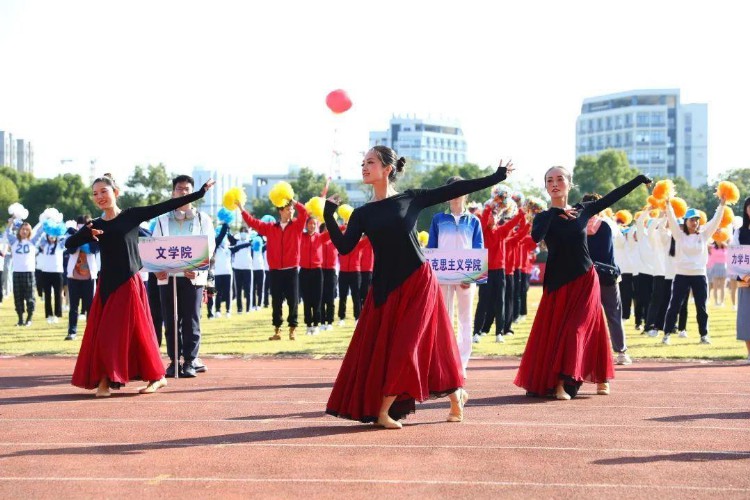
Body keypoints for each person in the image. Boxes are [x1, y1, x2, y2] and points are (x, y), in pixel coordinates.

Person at [323, 145, 511, 429]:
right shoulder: (363, 214)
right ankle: (457, 394)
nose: (364, 167)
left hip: (418, 281)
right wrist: (329, 216)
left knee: (407, 346)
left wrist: (496, 176)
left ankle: (384, 409)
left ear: (387, 169)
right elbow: (345, 247)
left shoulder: (411, 199)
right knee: (421, 347)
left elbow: (455, 189)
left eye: (370, 162)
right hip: (385, 288)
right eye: (362, 163)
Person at [66, 173, 214, 396]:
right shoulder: (94, 225)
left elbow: (166, 206)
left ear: (116, 192)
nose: (99, 197)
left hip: (129, 282)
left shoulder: (131, 215)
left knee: (132, 333)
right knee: (105, 333)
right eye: (95, 194)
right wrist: (86, 234)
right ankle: (109, 378)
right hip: (106, 285)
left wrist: (200, 193)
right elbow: (69, 244)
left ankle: (149, 377)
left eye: (104, 192)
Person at [514, 167, 651, 400]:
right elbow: (536, 237)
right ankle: (559, 382)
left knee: (579, 329)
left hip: (585, 279)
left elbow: (612, 196)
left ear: (569, 183)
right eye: (549, 180)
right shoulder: (543, 217)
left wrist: (638, 180)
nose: (554, 183)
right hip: (557, 283)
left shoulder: (583, 211)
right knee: (558, 333)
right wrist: (555, 215)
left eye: (559, 179)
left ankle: (583, 379)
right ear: (546, 187)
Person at [152, 175, 215, 378]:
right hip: (168, 277)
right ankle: (174, 361)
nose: (183, 193)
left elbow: (209, 247)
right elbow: (155, 247)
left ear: (193, 192)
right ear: (173, 192)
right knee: (170, 320)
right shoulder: (162, 220)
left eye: (187, 189)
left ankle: (190, 361)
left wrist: (196, 268)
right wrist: (158, 268)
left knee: (191, 319)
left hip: (192, 277)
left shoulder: (202, 219)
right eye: (179, 189)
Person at [426, 176, 484, 377]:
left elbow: (478, 249)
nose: (456, 194)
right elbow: (431, 248)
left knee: (465, 319)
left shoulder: (474, 221)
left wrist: (471, 276)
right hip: (442, 276)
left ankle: (461, 364)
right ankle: (444, 361)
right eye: (451, 190)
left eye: (460, 189)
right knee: (444, 318)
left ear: (466, 193)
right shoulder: (438, 219)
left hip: (467, 277)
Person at [240, 197, 308, 340]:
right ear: (280, 211)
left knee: (293, 301)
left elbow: (305, 212)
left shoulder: (297, 225)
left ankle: (292, 328)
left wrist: (294, 201)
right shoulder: (270, 228)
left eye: (292, 209)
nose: (291, 212)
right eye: (288, 209)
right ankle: (277, 330)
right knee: (276, 301)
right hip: (275, 270)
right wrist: (241, 208)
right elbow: (253, 222)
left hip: (291, 269)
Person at [661, 200, 724, 345]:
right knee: (674, 305)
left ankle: (704, 335)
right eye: (691, 220)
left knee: (701, 306)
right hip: (681, 275)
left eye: (696, 220)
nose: (694, 222)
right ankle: (667, 334)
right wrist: (668, 205)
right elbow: (671, 218)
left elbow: (715, 221)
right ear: (686, 221)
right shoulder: (679, 235)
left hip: (699, 275)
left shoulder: (704, 235)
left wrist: (722, 205)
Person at [581, 193, 632, 365]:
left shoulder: (578, 224)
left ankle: (584, 353)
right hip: (607, 275)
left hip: (585, 276)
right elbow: (619, 241)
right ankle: (622, 352)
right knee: (614, 315)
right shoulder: (609, 223)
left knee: (583, 317)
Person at [64, 215, 99, 341]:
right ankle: (72, 331)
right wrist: (78, 236)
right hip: (73, 276)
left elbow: (92, 250)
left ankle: (90, 333)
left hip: (89, 277)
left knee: (90, 306)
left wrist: (83, 237)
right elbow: (71, 249)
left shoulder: (94, 236)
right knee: (73, 307)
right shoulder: (71, 235)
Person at [5, 219, 43, 326]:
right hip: (17, 272)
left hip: (29, 272)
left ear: (30, 231)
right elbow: (7, 232)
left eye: (27, 230)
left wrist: (45, 221)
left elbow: (40, 232)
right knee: (18, 297)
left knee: (30, 297)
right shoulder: (14, 241)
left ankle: (29, 319)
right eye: (22, 229)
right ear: (19, 231)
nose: (24, 231)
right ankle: (20, 319)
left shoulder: (32, 241)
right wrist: (11, 222)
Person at [299, 217, 329, 334]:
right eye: (310, 224)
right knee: (306, 299)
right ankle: (308, 325)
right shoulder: (301, 236)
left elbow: (334, 231)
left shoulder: (320, 237)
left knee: (317, 299)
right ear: (306, 225)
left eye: (314, 224)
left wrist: (344, 224)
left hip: (317, 272)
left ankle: (316, 325)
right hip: (304, 271)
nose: (312, 226)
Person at [732, 196, 750, 362]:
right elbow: (733, 255)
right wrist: (743, 275)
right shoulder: (739, 231)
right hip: (745, 280)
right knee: (746, 317)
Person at [38, 230, 67, 324]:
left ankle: (57, 315)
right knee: (47, 295)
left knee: (58, 294)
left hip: (57, 272)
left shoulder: (60, 245)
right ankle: (49, 315)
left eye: (53, 236)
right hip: (46, 272)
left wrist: (59, 232)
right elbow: (39, 238)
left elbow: (66, 239)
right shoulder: (44, 244)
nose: (51, 237)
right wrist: (46, 228)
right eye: (50, 236)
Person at [319, 223, 338, 330]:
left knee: (330, 297)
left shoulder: (335, 241)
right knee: (321, 297)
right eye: (325, 229)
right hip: (320, 271)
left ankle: (329, 321)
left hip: (331, 271)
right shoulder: (319, 240)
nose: (327, 232)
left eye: (329, 230)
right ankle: (322, 321)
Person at [707, 242, 728, 306]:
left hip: (723, 267)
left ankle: (722, 302)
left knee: (722, 286)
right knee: (715, 286)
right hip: (715, 267)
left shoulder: (725, 247)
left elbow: (731, 248)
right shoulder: (712, 247)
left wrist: (724, 244)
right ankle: (716, 302)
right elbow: (706, 244)